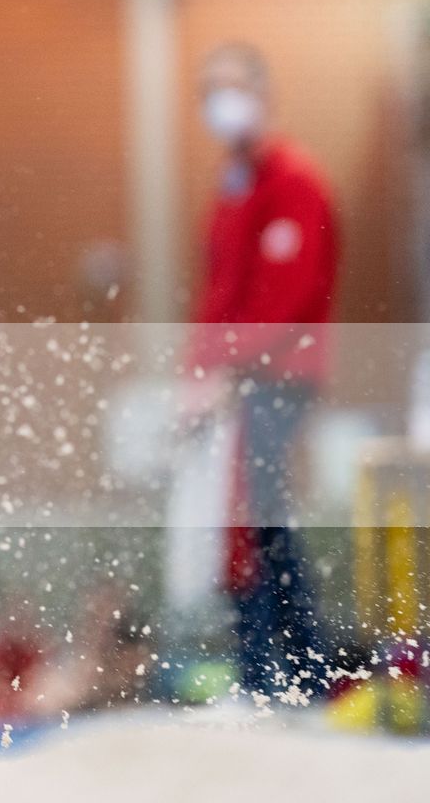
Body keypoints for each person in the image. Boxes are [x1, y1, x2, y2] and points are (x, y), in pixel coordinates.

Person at [185, 42, 338, 697]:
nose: (222, 101)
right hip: (233, 380)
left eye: (234, 86)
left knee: (257, 525)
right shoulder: (233, 183)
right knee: (250, 528)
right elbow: (220, 291)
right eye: (210, 89)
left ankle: (289, 670)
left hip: (276, 379)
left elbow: (285, 299)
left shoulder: (294, 181)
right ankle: (282, 670)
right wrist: (195, 369)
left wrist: (228, 367)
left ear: (263, 93)